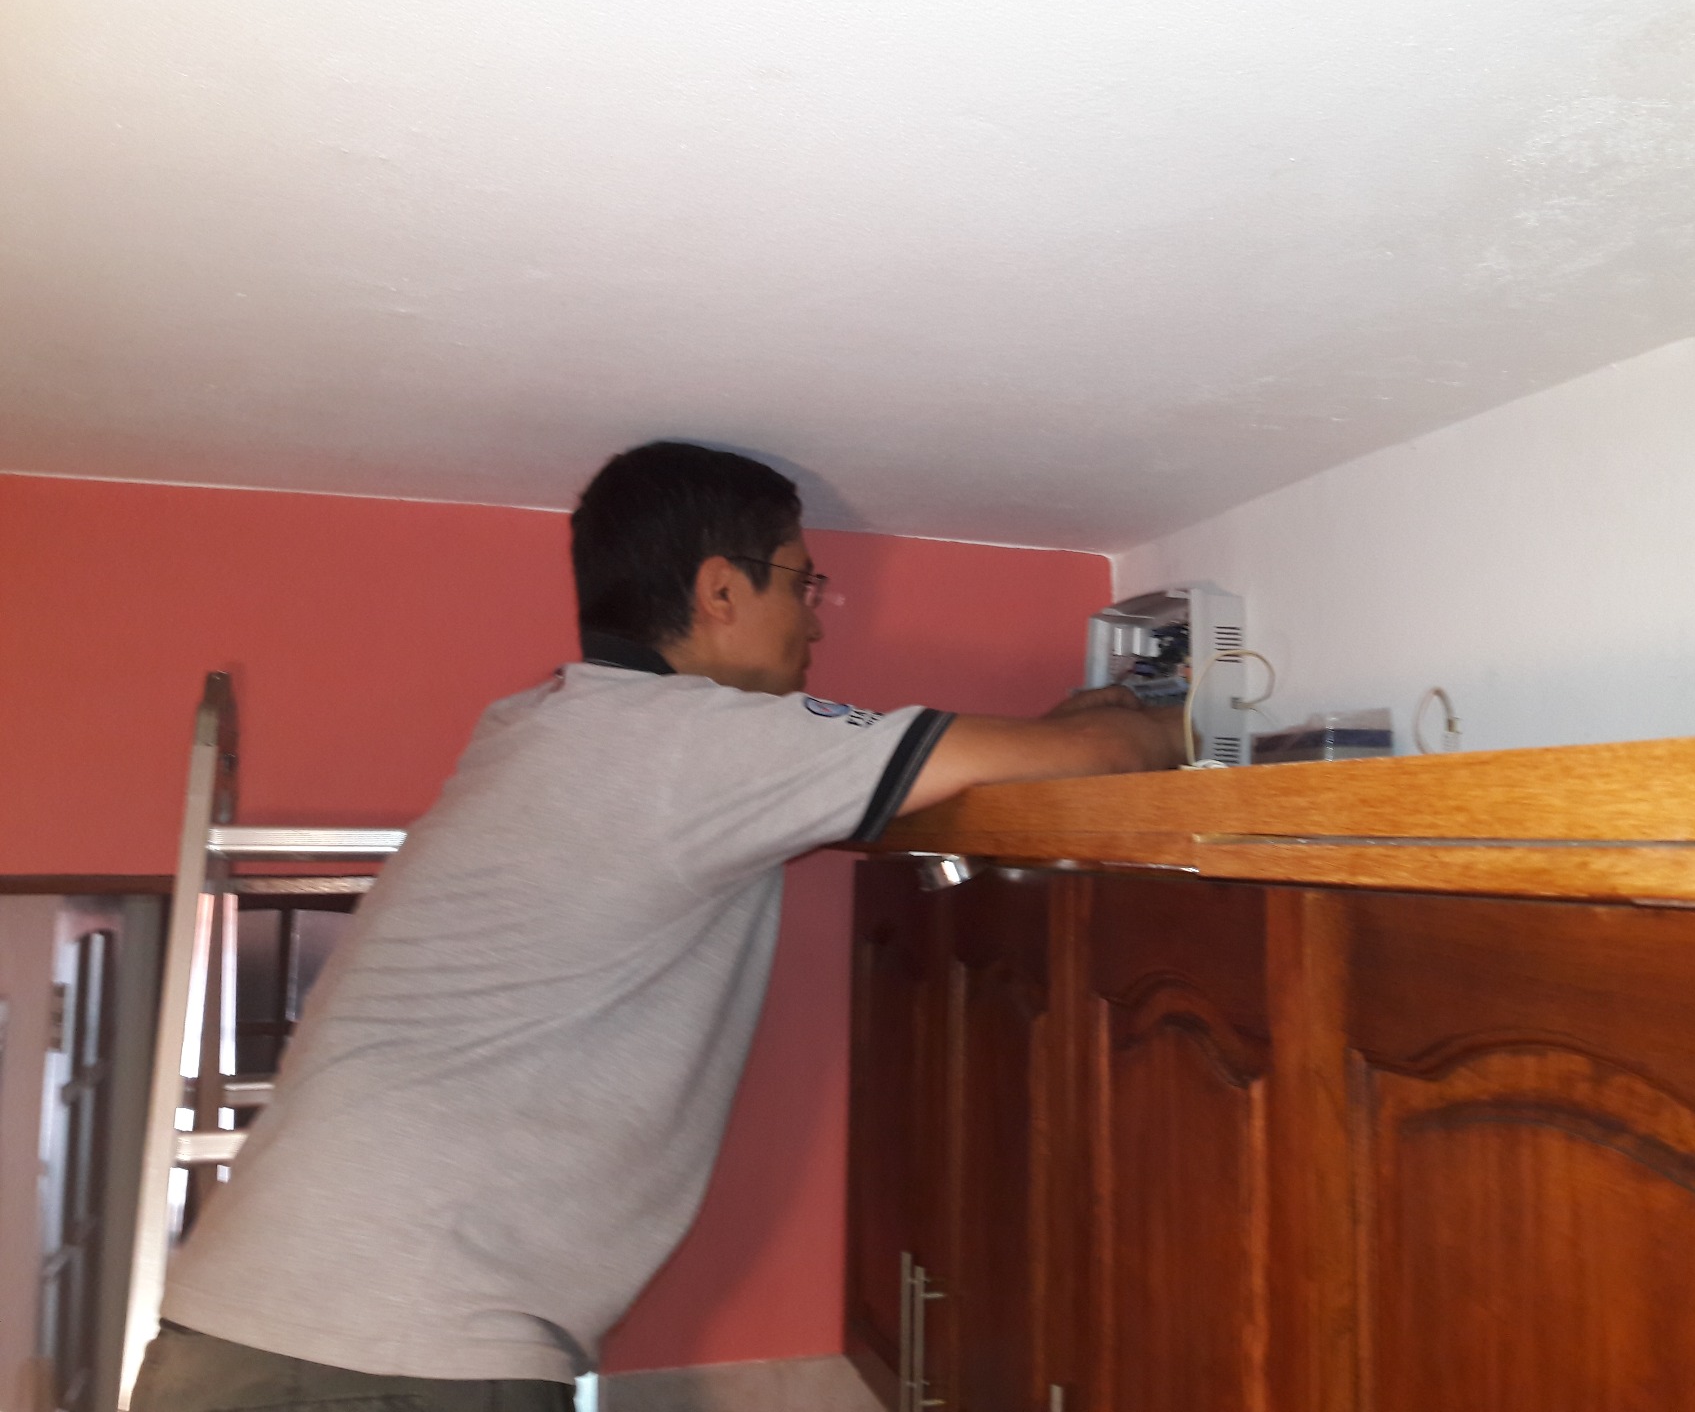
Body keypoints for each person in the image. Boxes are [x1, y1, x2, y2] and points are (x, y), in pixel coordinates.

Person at [133, 441, 1183, 1411]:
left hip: (243, 1323)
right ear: (721, 589)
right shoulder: (694, 744)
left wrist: (1054, 737)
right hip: (401, 1348)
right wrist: (1184, 712)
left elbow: (989, 768)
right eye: (802, 582)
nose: (817, 621)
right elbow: (1104, 760)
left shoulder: (549, 724)